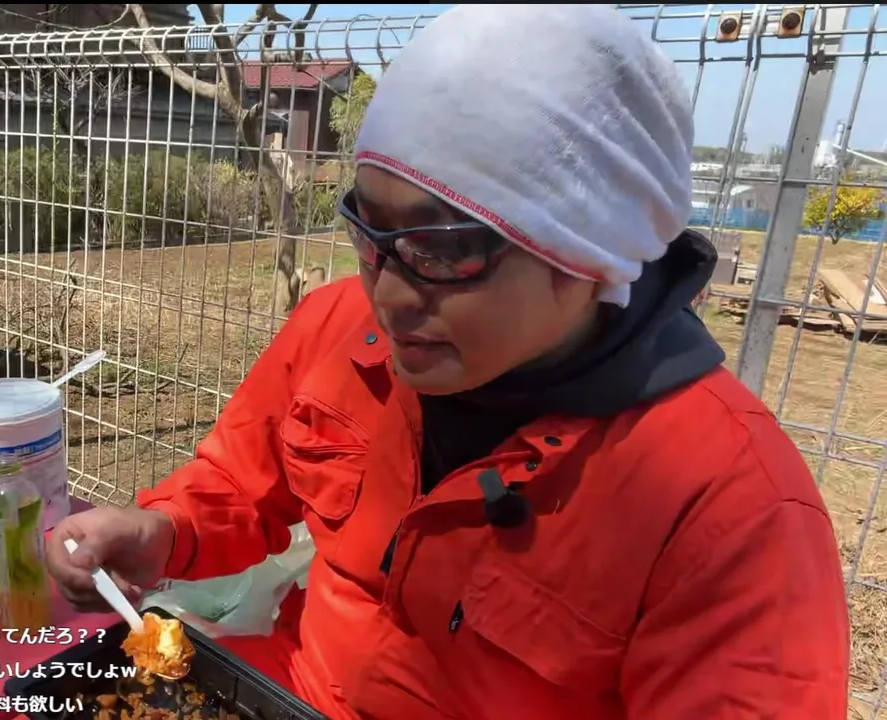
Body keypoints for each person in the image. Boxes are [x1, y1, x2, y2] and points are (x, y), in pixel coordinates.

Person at [47, 6, 850, 719]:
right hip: (291, 688)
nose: (390, 293)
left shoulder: (730, 512)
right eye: (370, 231)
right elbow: (237, 484)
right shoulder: (341, 331)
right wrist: (165, 529)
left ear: (586, 253)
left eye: (443, 250)